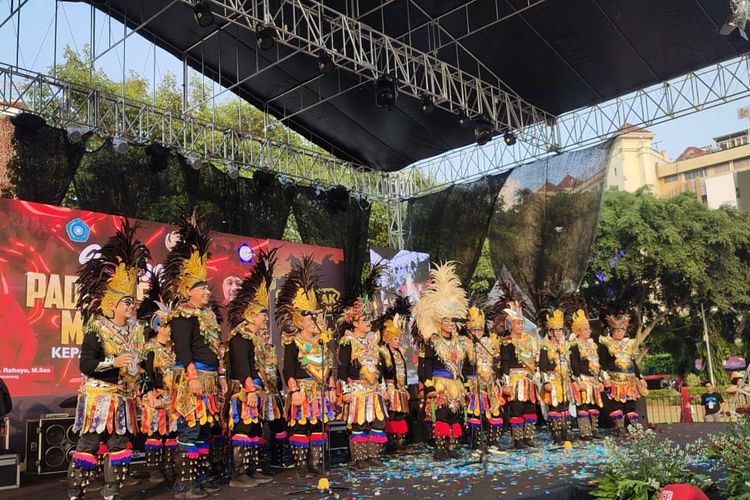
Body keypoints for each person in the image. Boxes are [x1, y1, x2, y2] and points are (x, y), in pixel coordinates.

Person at [67, 220, 149, 500]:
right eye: (127, 302)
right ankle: (76, 492)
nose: (132, 305)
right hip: (99, 397)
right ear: (112, 305)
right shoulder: (97, 328)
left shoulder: (137, 331)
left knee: (120, 442)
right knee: (89, 442)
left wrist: (141, 374)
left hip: (125, 397)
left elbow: (142, 364)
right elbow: (85, 364)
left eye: (133, 301)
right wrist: (113, 363)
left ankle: (111, 491)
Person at [163, 211, 226, 499]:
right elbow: (183, 348)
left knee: (202, 431)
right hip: (193, 377)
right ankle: (184, 485)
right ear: (188, 291)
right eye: (200, 287)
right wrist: (191, 377)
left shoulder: (209, 315)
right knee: (189, 429)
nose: (205, 291)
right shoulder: (182, 314)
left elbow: (215, 349)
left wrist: (221, 378)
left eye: (205, 286)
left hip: (210, 378)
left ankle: (198, 480)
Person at [277, 256, 336, 477]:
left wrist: (331, 389)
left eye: (315, 319)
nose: (313, 322)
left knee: (318, 426)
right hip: (302, 389)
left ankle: (316, 463)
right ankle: (301, 466)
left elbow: (329, 368)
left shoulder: (322, 342)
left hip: (319, 391)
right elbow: (288, 369)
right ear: (300, 321)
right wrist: (294, 392)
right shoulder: (293, 342)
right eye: (309, 319)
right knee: (301, 426)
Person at [226, 249, 277, 488]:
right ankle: (239, 474)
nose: (265, 319)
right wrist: (249, 386)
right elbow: (241, 364)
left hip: (258, 390)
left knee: (256, 429)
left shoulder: (257, 339)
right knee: (245, 427)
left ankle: (254, 468)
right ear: (250, 315)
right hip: (246, 391)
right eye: (262, 315)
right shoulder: (240, 337)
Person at [413, 262, 469, 460]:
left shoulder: (460, 342)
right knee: (442, 416)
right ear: (439, 322)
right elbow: (424, 366)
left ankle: (452, 448)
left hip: (456, 384)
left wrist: (467, 384)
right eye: (447, 320)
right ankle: (440, 448)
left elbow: (465, 365)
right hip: (439, 384)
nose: (451, 324)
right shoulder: (432, 342)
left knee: (455, 416)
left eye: (453, 320)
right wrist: (428, 386)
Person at [336, 265, 388, 470]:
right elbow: (342, 368)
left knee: (377, 421)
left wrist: (383, 388)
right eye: (364, 319)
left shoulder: (373, 341)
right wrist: (345, 391)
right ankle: (359, 459)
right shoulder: (347, 342)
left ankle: (373, 456)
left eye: (369, 319)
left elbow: (379, 366)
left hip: (373, 388)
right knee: (357, 423)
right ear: (354, 323)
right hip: (356, 388)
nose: (368, 322)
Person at [138, 275, 178, 484]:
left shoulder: (174, 350)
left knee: (171, 433)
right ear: (159, 327)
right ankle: (154, 469)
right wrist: (150, 391)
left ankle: (170, 467)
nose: (170, 329)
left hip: (172, 397)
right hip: (155, 395)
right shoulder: (149, 348)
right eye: (167, 325)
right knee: (155, 432)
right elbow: (146, 372)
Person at [460, 305, 504, 449]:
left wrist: (498, 379)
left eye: (479, 329)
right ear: (468, 330)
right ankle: (476, 444)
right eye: (473, 330)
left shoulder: (489, 341)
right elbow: (463, 366)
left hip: (490, 382)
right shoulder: (464, 343)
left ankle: (493, 442)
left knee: (495, 410)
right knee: (475, 412)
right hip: (473, 382)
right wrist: (465, 384)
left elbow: (496, 362)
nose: (477, 332)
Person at [598, 313, 648, 438]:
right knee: (617, 404)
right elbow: (602, 364)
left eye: (621, 330)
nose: (619, 333)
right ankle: (620, 428)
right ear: (612, 331)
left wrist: (640, 378)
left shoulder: (629, 344)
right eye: (616, 330)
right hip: (615, 380)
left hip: (630, 381)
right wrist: (605, 378)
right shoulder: (607, 344)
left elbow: (633, 363)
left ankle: (633, 428)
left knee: (630, 405)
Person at [500, 302, 540, 449]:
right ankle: (518, 440)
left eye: (522, 323)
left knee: (530, 408)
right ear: (511, 325)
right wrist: (506, 384)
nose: (521, 326)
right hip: (515, 380)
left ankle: (528, 437)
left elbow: (535, 360)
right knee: (517, 409)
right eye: (518, 324)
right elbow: (504, 365)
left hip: (529, 380)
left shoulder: (530, 341)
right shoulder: (506, 342)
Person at [376, 295, 412, 452]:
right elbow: (382, 372)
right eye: (395, 338)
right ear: (388, 338)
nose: (398, 340)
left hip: (401, 388)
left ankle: (400, 442)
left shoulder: (400, 352)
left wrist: (406, 388)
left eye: (399, 338)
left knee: (400, 415)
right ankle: (391, 443)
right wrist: (384, 388)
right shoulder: (383, 352)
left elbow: (404, 370)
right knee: (391, 414)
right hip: (390, 387)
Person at [568, 309, 604, 440]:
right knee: (583, 405)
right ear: (578, 331)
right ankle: (585, 432)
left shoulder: (592, 345)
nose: (589, 331)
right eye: (585, 329)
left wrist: (600, 379)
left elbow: (597, 362)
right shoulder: (574, 345)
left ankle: (594, 430)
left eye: (589, 328)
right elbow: (574, 364)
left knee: (594, 405)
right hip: (582, 378)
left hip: (593, 379)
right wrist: (577, 381)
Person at [539, 309, 573, 445]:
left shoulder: (565, 346)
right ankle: (556, 435)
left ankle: (566, 433)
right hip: (552, 380)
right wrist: (546, 381)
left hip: (565, 380)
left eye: (560, 330)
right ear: (549, 332)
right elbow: (542, 366)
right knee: (554, 408)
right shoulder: (545, 347)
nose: (558, 333)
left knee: (565, 407)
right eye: (555, 330)